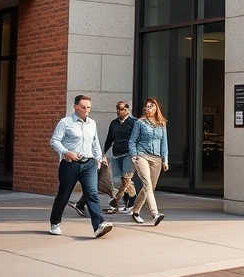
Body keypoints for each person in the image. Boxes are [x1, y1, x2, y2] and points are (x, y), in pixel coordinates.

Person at [48, 94, 114, 238]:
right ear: (76, 106)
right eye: (83, 107)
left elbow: (95, 142)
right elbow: (54, 141)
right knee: (64, 194)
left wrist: (99, 159)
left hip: (89, 164)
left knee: (92, 194)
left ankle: (98, 226)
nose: (86, 110)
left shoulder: (92, 123)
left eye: (88, 107)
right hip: (70, 164)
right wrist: (65, 152)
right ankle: (55, 223)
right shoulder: (65, 122)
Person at [69, 101, 143, 216]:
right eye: (117, 108)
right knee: (117, 180)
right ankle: (129, 200)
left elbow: (138, 139)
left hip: (129, 154)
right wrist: (103, 153)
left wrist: (137, 153)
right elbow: (109, 138)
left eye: (121, 109)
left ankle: (127, 202)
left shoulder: (134, 123)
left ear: (127, 110)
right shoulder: (114, 123)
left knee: (126, 178)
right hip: (116, 154)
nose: (118, 111)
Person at [129, 98, 169, 226]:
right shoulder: (140, 123)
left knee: (150, 187)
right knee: (147, 184)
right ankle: (155, 213)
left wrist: (165, 160)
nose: (148, 108)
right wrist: (133, 154)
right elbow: (132, 140)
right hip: (142, 155)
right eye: (147, 106)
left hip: (157, 158)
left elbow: (164, 143)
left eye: (151, 106)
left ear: (156, 108)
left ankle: (135, 211)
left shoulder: (162, 124)